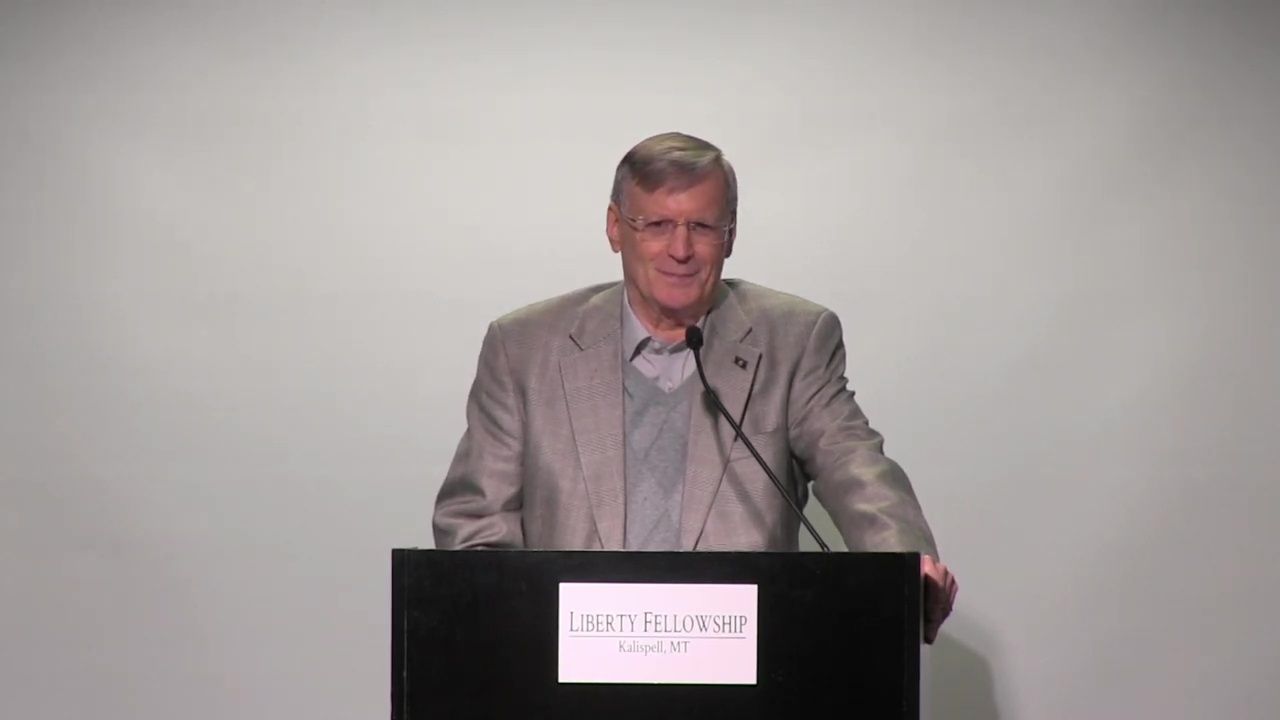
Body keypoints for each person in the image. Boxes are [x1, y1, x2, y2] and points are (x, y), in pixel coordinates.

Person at [433, 132, 957, 642]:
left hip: (748, 665)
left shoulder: (793, 340)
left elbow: (855, 466)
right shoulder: (524, 349)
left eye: (702, 226)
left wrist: (907, 564)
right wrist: (519, 637)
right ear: (616, 228)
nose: (680, 249)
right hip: (567, 663)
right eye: (657, 224)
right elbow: (475, 525)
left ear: (730, 234)